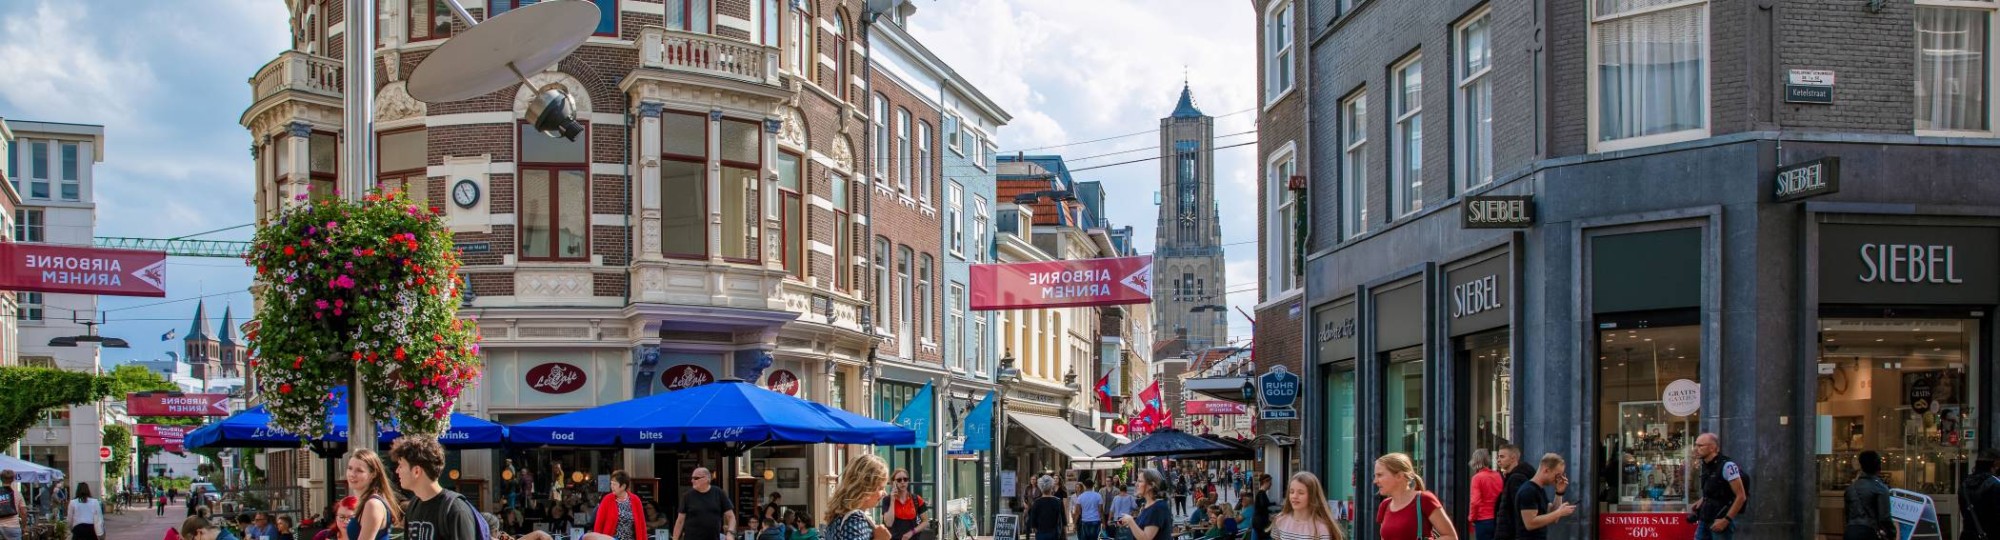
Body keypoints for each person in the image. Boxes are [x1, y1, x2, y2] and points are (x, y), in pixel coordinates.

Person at [390, 436, 480, 540]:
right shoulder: (413, 506)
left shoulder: (455, 509)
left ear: (416, 471)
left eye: (401, 466)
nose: (397, 471)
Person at [1374, 453, 1457, 540]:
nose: (1375, 481)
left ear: (1399, 476)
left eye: (1380, 475)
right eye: (1375, 476)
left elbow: (1451, 537)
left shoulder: (1424, 499)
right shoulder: (1384, 505)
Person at [1690, 434, 1746, 540]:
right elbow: (1714, 491)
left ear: (1712, 448)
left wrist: (1726, 520)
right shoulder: (1706, 465)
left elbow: (1741, 496)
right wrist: (1702, 500)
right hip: (1705, 519)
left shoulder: (1727, 466)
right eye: (1696, 445)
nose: (1696, 449)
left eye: (1700, 446)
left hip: (1720, 520)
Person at [822, 455, 891, 540]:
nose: (885, 493)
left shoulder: (839, 515)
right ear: (866, 487)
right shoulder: (855, 520)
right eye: (880, 488)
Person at [345, 449, 404, 540]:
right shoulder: (365, 502)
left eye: (359, 471)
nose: (352, 474)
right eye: (350, 468)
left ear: (373, 474)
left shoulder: (373, 504)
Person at [1513, 454, 1575, 540]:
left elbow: (1553, 518)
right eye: (1557, 475)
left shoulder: (1539, 489)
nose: (1558, 479)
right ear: (1546, 470)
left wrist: (1559, 493)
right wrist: (1559, 512)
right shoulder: (1528, 491)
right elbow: (1530, 523)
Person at [1271, 472, 1344, 540]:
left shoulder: (1321, 527)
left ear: (1312, 496)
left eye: (1301, 493)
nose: (1294, 496)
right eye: (1291, 492)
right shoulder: (1280, 520)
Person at [1491, 446, 1542, 540]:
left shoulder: (1516, 479)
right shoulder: (1513, 477)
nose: (1498, 460)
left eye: (1502, 457)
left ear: (1513, 458)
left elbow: (1517, 511)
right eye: (1498, 457)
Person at [1111, 469, 1173, 540]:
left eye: (1140, 481)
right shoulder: (1148, 505)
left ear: (1151, 485)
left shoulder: (1158, 507)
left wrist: (1131, 521)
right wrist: (1129, 522)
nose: (1136, 484)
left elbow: (1146, 538)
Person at [1844, 451, 1893, 540]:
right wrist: (1891, 534)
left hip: (1850, 533)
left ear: (1861, 466)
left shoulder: (1850, 488)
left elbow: (1847, 515)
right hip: (1869, 533)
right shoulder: (1881, 488)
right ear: (1878, 466)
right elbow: (1885, 518)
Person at [675, 467, 735, 540]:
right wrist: (675, 538)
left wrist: (730, 533)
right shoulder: (687, 496)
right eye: (692, 478)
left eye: (696, 478)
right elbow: (680, 521)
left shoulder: (718, 493)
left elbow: (731, 516)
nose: (692, 481)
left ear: (706, 479)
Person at [591, 470, 647, 540]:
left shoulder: (636, 500)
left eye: (614, 484)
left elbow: (642, 525)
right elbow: (599, 524)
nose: (611, 486)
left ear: (623, 486)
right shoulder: (607, 499)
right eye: (611, 483)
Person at [1960, 449, 2000, 540]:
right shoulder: (1995, 484)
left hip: (1968, 535)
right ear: (1996, 465)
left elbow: (1964, 511)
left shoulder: (1964, 485)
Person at [884, 469, 930, 540]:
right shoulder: (888, 499)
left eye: (905, 479)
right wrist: (892, 501)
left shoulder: (916, 499)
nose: (902, 482)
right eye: (899, 480)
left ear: (908, 481)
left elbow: (925, 521)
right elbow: (889, 523)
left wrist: (912, 532)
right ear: (894, 482)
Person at [1469, 450, 1503, 540]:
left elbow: (1475, 502)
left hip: (1482, 519)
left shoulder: (1477, 478)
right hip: (1498, 518)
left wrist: (1471, 518)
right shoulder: (1498, 475)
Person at [1251, 474, 1275, 540]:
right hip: (1260, 523)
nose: (1271, 484)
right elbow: (1263, 506)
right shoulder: (1261, 493)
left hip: (1258, 522)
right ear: (1265, 482)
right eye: (1270, 482)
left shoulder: (1261, 493)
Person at [0, 470, 23, 540]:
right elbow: (24, 512)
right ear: (13, 479)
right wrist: (24, 526)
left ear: (1, 479)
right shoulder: (17, 493)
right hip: (13, 526)